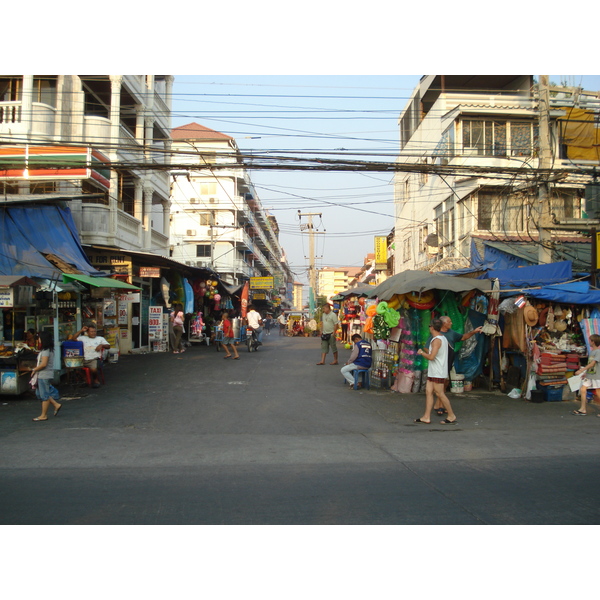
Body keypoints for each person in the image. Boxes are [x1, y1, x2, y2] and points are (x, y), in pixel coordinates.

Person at [432, 316, 483, 416]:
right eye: (449, 322)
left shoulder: (452, 333)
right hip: (439, 365)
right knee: (440, 386)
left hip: (448, 363)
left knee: (445, 384)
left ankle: (438, 405)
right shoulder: (436, 334)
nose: (451, 323)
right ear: (443, 323)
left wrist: (474, 331)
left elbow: (463, 337)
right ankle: (440, 406)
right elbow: (427, 348)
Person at [415, 319, 457, 424]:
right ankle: (426, 416)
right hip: (434, 370)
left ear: (432, 328)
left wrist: (421, 353)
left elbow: (431, 357)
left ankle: (451, 415)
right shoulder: (441, 338)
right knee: (428, 392)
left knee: (439, 393)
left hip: (438, 371)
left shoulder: (436, 340)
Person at [29, 331, 62, 421]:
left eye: (39, 338)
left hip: (44, 375)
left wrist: (34, 369)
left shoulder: (46, 351)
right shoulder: (47, 350)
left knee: (44, 396)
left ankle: (43, 415)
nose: (38, 339)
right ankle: (56, 404)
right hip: (43, 375)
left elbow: (43, 364)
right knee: (40, 393)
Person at [75, 324, 111, 388]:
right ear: (87, 332)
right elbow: (73, 338)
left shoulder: (100, 338)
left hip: (95, 358)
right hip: (84, 358)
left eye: (94, 331)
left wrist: (102, 345)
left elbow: (108, 346)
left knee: (94, 369)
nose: (93, 333)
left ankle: (96, 380)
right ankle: (85, 380)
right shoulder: (83, 338)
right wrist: (81, 330)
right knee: (76, 368)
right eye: (91, 331)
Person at [572, 334, 600, 416]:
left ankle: (583, 409)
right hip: (590, 375)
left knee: (598, 392)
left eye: (590, 340)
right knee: (583, 389)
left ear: (593, 342)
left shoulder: (598, 352)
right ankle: (583, 409)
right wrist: (585, 373)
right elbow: (590, 364)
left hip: (596, 375)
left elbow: (592, 364)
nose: (589, 342)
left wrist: (581, 370)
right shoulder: (592, 352)